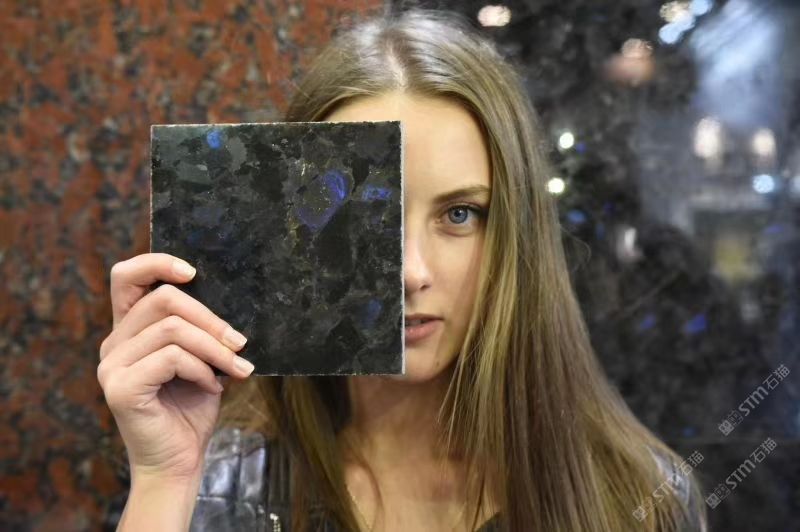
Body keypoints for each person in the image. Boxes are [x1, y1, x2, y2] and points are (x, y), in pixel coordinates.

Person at [99, 7, 707, 532]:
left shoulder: (636, 499)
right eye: (366, 215)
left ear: (515, 234)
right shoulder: (221, 490)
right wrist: (164, 480)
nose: (410, 272)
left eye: (461, 214)